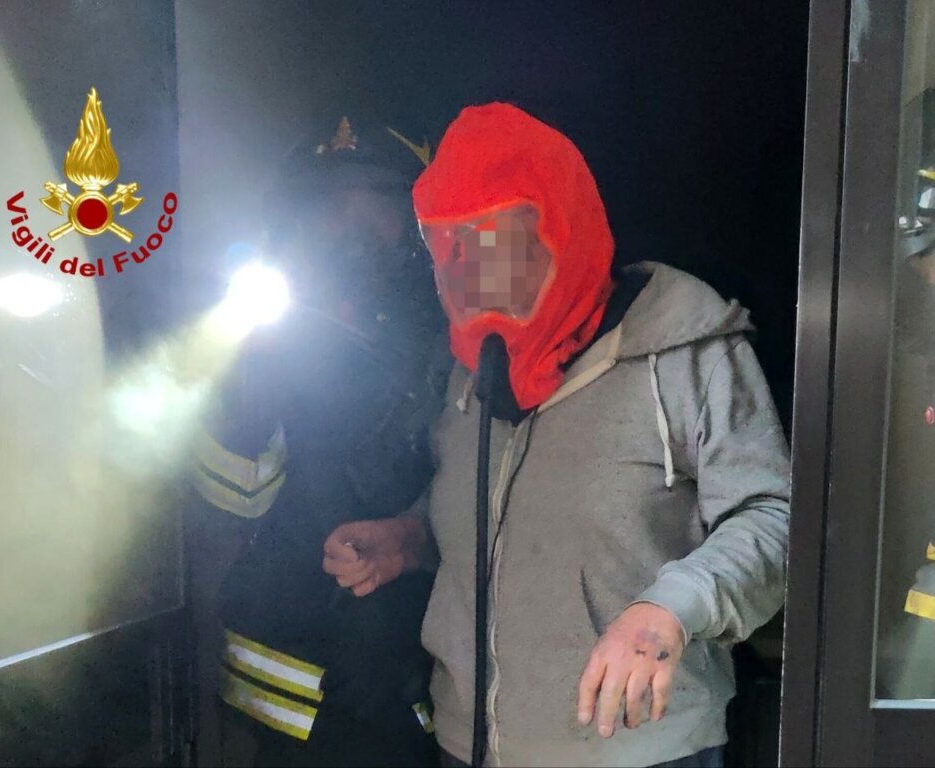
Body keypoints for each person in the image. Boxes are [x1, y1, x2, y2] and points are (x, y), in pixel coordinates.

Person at [323, 102, 791, 767]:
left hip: (640, 753)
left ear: (559, 224)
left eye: (493, 237)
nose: (465, 269)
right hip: (470, 745)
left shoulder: (683, 349)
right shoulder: (471, 369)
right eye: (444, 242)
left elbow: (772, 519)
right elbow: (489, 508)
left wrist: (669, 611)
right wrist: (410, 536)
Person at [185, 116, 451, 767]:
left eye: (376, 205)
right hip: (294, 688)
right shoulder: (267, 338)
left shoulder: (451, 325)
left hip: (406, 680)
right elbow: (230, 496)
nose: (353, 229)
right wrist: (250, 370)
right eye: (333, 208)